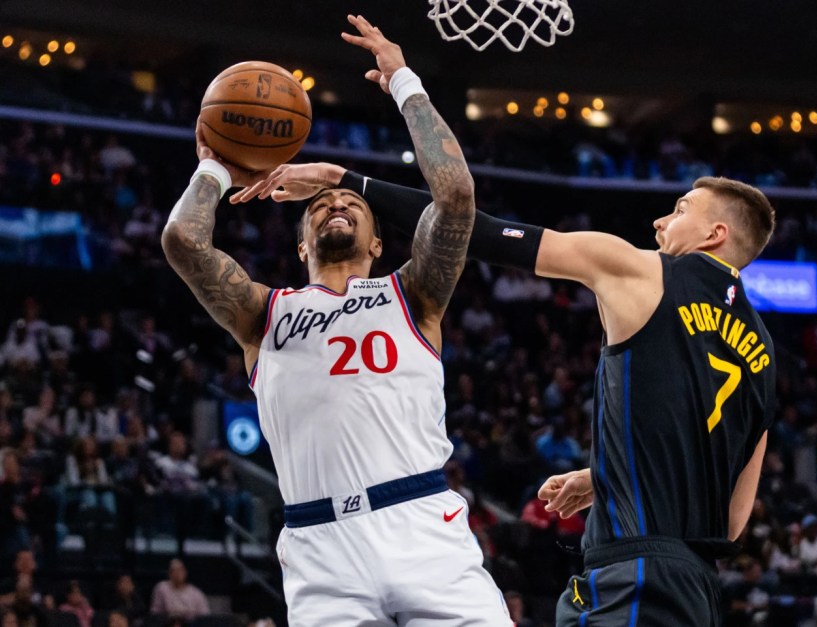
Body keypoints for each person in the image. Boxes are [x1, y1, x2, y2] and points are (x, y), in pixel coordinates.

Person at [234, 161, 776, 624]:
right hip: (696, 589)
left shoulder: (643, 270)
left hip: (635, 573)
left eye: (680, 209)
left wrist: (345, 179)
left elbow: (478, 231)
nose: (660, 221)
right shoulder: (766, 354)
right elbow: (731, 520)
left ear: (715, 234)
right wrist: (609, 475)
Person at [162, 14, 509, 626]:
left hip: (421, 526)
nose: (337, 203)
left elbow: (455, 196)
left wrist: (402, 81)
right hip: (321, 548)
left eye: (351, 201)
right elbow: (183, 242)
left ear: (379, 242)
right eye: (321, 205)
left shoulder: (414, 293)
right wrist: (215, 167)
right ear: (301, 247)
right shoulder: (264, 314)